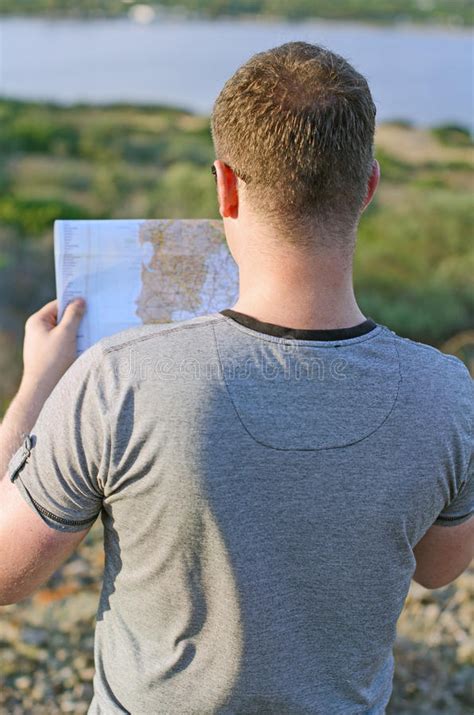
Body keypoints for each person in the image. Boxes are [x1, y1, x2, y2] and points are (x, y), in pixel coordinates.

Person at [0, 41, 472, 714]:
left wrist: (33, 391)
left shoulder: (116, 380)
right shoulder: (447, 393)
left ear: (225, 185)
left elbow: (7, 570)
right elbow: (439, 566)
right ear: (367, 185)